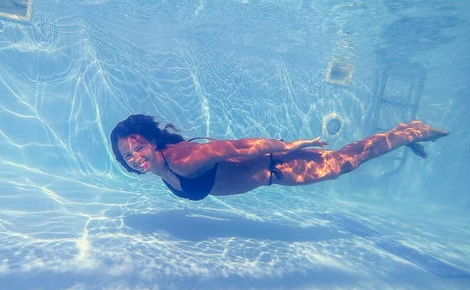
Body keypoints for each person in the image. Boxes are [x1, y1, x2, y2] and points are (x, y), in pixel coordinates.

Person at [110, 114, 449, 201]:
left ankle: (410, 131)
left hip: (279, 167)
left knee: (348, 160)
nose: (135, 158)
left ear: (154, 143)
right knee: (348, 160)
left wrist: (283, 147)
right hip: (275, 169)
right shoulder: (162, 167)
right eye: (127, 155)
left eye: (139, 148)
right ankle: (406, 134)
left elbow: (233, 148)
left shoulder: (180, 159)